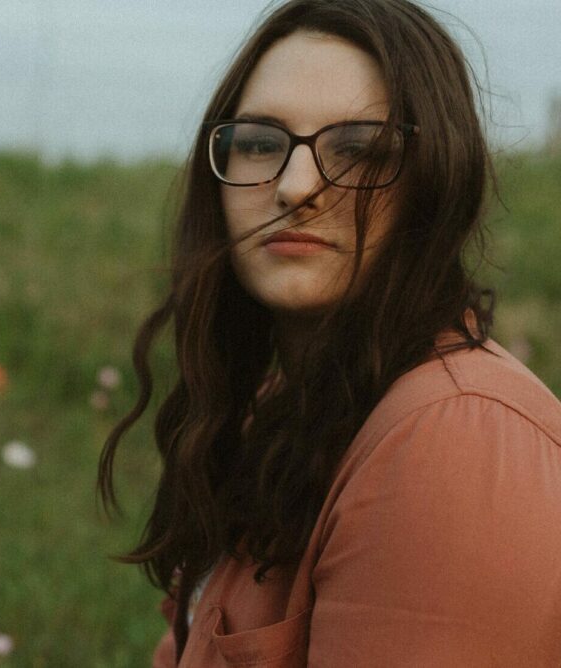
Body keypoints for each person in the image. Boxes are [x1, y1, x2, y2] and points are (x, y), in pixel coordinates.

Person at [96, 0, 561, 665]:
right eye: (259, 141)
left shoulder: (452, 437)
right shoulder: (283, 412)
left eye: (361, 150)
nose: (295, 186)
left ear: (434, 181)